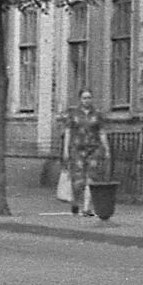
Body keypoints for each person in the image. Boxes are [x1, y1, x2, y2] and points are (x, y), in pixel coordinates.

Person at [63, 89, 106, 218]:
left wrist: (106, 147)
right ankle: (76, 202)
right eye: (84, 98)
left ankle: (87, 208)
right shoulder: (74, 114)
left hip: (93, 149)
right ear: (80, 99)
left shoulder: (97, 114)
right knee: (78, 180)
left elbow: (102, 132)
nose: (87, 100)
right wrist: (65, 149)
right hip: (77, 149)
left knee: (91, 178)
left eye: (89, 98)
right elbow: (68, 131)